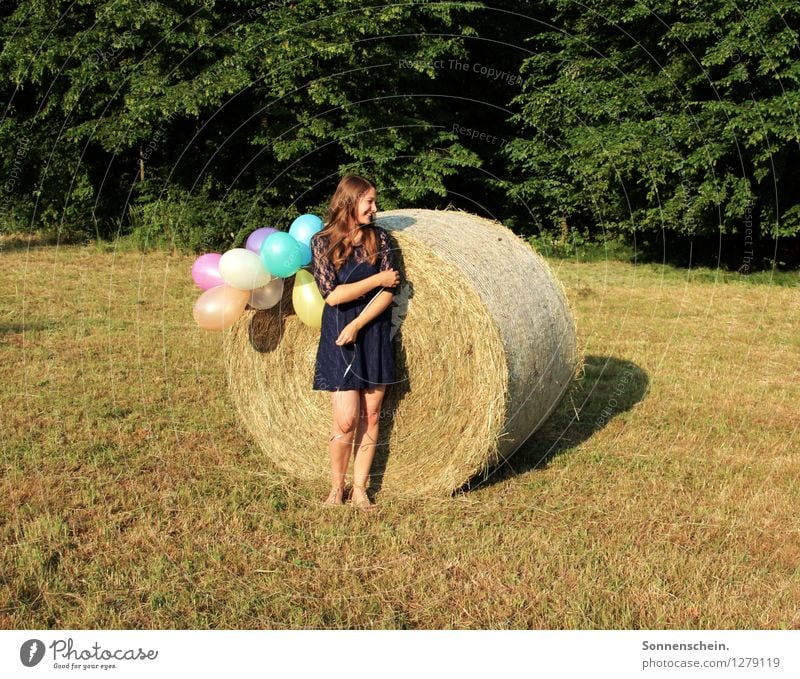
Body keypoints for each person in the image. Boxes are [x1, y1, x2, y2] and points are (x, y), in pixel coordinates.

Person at [310, 174, 401, 510]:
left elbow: (390, 292)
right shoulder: (322, 242)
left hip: (373, 331)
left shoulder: (382, 239)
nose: (375, 209)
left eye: (374, 202)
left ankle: (360, 489)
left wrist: (360, 323)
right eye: (369, 202)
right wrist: (377, 277)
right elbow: (332, 296)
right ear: (349, 202)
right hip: (339, 334)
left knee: (372, 414)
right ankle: (336, 488)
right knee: (346, 418)